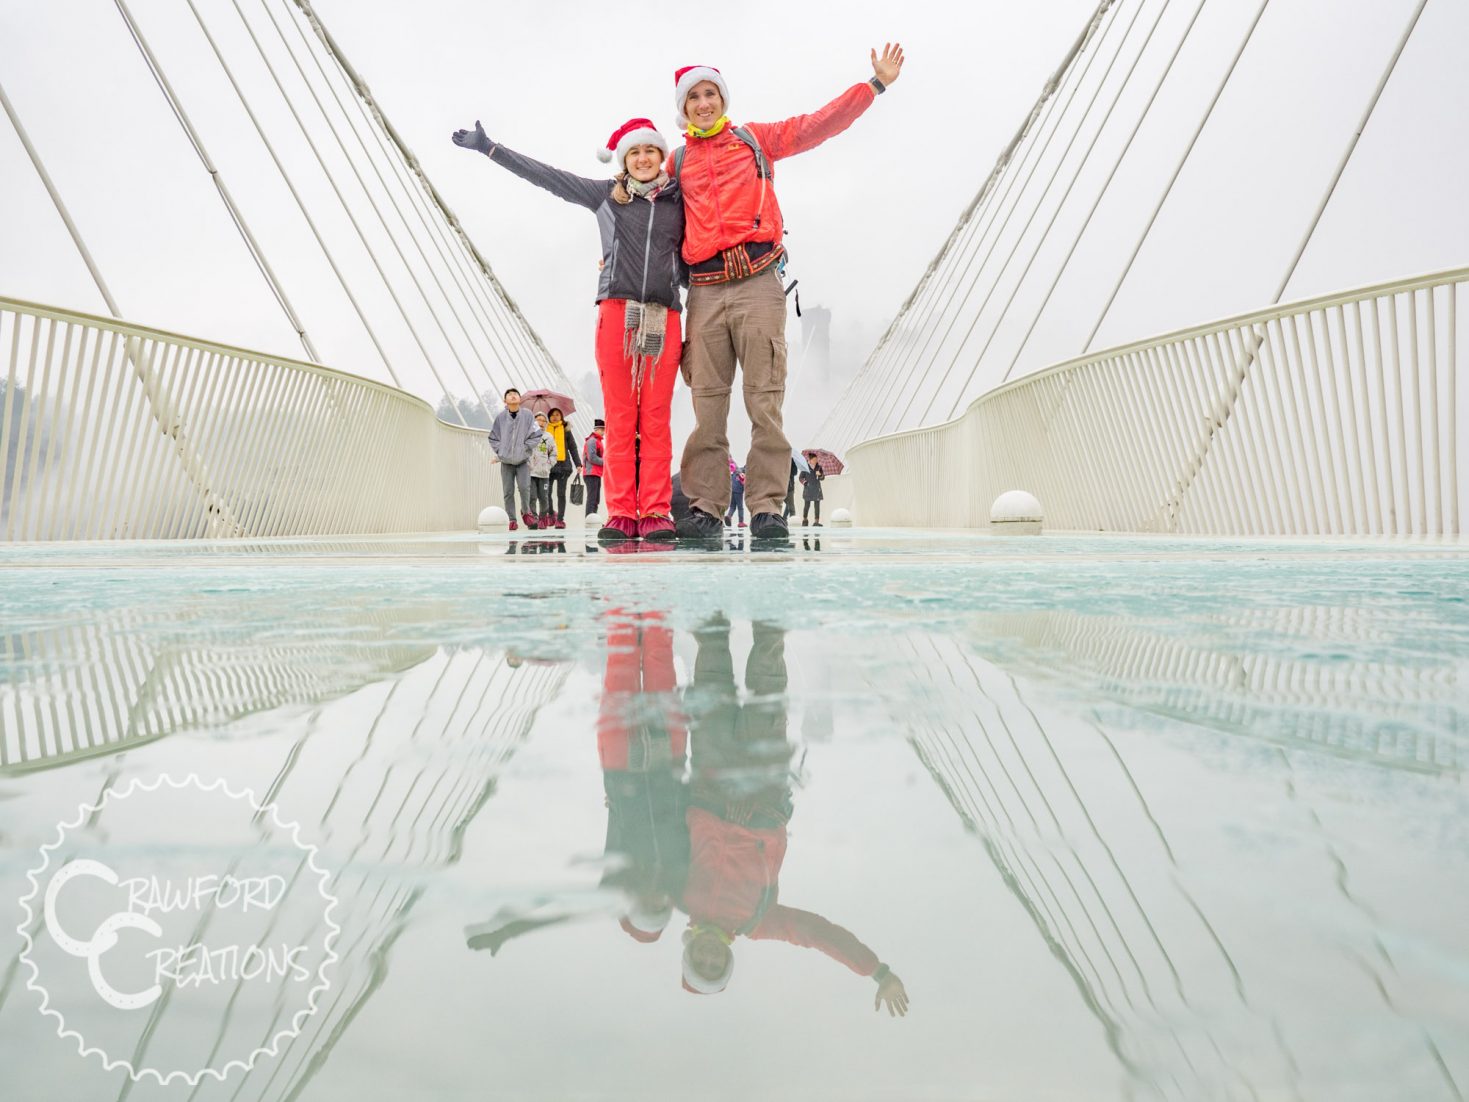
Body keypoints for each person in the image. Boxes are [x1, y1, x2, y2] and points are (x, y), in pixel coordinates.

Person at [670, 46, 906, 542]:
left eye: (710, 92)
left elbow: (816, 125)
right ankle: (708, 508)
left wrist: (874, 86)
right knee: (706, 407)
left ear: (722, 98)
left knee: (764, 401)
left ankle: (765, 508)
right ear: (683, 108)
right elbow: (644, 213)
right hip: (706, 293)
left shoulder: (755, 140)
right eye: (694, 97)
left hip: (759, 282)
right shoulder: (676, 163)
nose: (703, 102)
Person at [453, 115, 685, 543]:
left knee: (655, 418)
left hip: (665, 317)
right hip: (617, 313)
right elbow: (550, 179)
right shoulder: (606, 197)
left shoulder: (679, 203)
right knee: (619, 417)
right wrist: (491, 149)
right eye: (634, 152)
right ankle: (620, 513)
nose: (643, 158)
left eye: (650, 150)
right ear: (624, 159)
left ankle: (654, 511)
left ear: (662, 155)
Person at [679, 617, 909, 1015]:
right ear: (726, 961)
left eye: (702, 964)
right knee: (768, 687)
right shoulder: (757, 921)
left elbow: (655, 838)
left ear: (690, 954)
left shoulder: (677, 896)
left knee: (711, 667)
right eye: (717, 967)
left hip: (710, 780)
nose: (710, 959)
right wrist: (876, 970)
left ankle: (708, 573)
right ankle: (771, 608)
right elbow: (816, 934)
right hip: (763, 789)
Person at [487, 387, 539, 530]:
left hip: (522, 461)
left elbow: (537, 434)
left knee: (524, 488)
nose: (513, 396)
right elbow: (493, 437)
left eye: (515, 394)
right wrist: (501, 451)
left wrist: (525, 448)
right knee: (508, 491)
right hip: (506, 463)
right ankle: (512, 519)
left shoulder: (528, 415)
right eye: (509, 394)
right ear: (505, 400)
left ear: (520, 398)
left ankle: (526, 512)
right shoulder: (500, 418)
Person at [545, 407, 582, 530]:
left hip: (563, 467)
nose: (555, 417)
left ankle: (560, 519)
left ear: (561, 416)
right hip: (548, 466)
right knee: (546, 493)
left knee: (561, 494)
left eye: (557, 414)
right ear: (549, 417)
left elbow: (573, 447)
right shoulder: (545, 431)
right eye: (552, 415)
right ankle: (551, 513)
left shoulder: (566, 431)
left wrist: (578, 464)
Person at [527, 411, 556, 528]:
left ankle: (543, 519)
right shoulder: (528, 435)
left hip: (544, 474)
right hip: (530, 473)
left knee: (544, 498)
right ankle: (533, 520)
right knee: (532, 497)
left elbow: (553, 454)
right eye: (539, 420)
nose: (541, 423)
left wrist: (548, 465)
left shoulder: (549, 437)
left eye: (544, 421)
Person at [584, 418, 606, 516]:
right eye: (602, 429)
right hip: (591, 473)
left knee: (596, 498)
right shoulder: (592, 441)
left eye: (604, 429)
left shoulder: (597, 441)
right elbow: (591, 457)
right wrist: (606, 462)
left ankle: (593, 517)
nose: (603, 432)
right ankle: (589, 517)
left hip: (596, 473)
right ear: (596, 429)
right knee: (592, 498)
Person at [801, 454, 825, 526]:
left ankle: (816, 521)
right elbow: (801, 478)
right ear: (810, 460)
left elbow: (823, 478)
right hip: (808, 489)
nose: (816, 461)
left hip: (817, 489)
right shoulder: (805, 468)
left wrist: (820, 475)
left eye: (816, 459)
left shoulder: (819, 467)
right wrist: (805, 483)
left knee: (817, 506)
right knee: (807, 505)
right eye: (814, 459)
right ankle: (805, 520)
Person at [725, 458, 746, 528]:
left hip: (731, 490)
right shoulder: (743, 473)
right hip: (738, 491)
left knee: (732, 506)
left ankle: (729, 516)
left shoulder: (735, 471)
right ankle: (741, 522)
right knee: (740, 507)